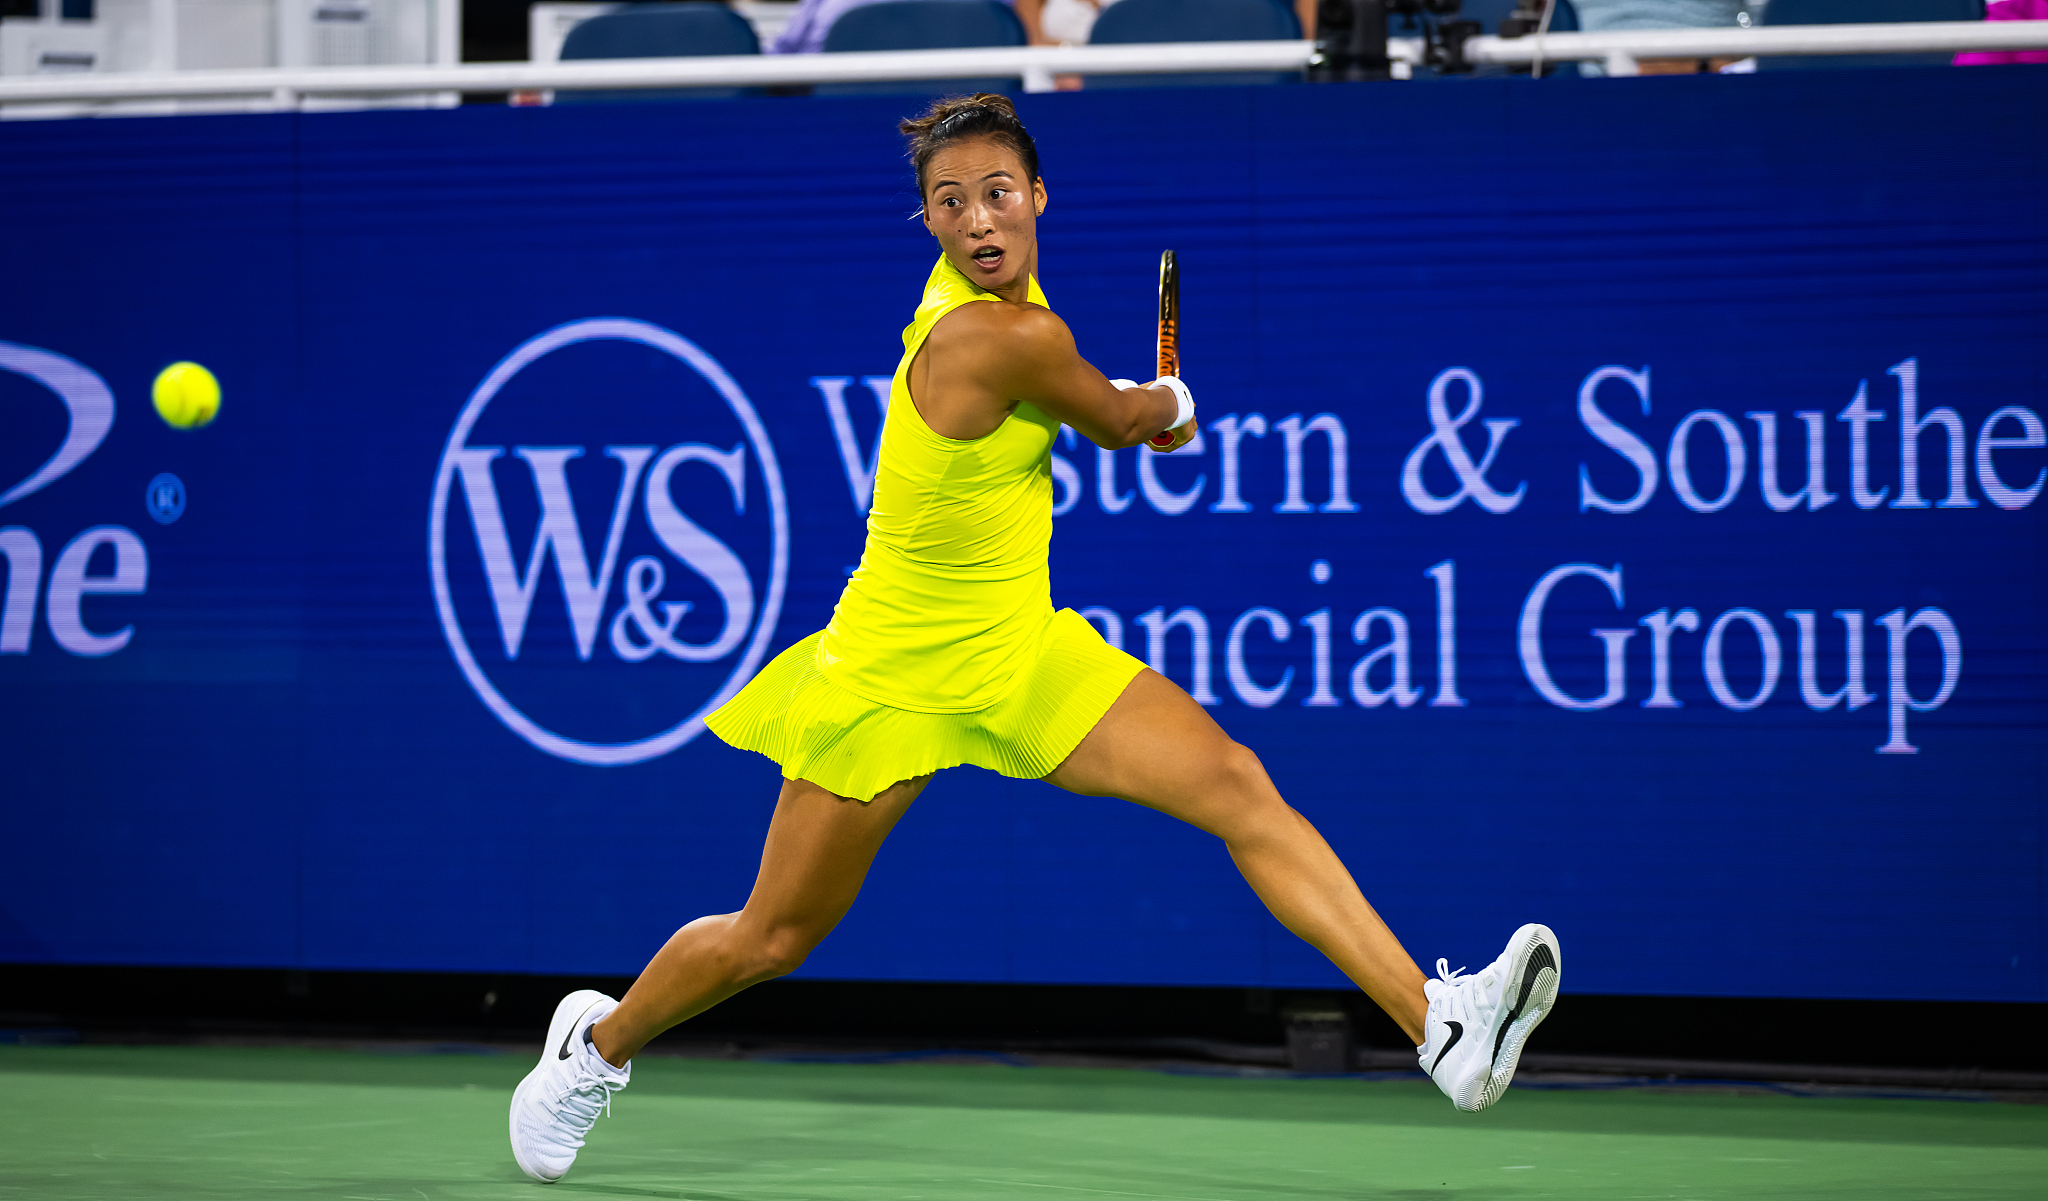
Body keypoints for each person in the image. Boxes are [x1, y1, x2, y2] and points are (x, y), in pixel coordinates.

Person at [508, 93, 1562, 1184]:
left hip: (1017, 652)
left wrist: (1142, 405)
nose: (976, 219)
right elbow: (1116, 421)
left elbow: (1096, 406)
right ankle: (593, 1048)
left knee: (1235, 784)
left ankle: (1436, 1023)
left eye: (996, 194)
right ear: (924, 223)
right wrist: (1167, 403)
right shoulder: (988, 332)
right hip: (890, 672)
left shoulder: (1021, 315)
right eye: (947, 202)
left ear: (1037, 197)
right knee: (771, 938)